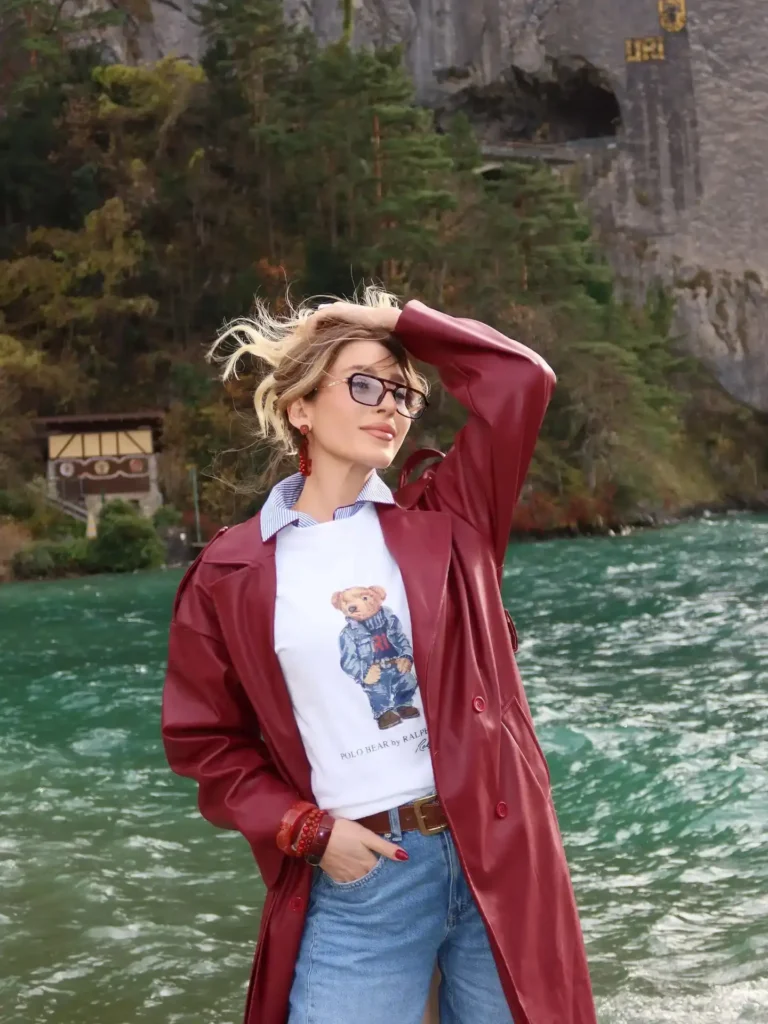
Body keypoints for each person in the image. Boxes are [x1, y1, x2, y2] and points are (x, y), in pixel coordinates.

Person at [162, 288, 597, 1024]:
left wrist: (390, 321)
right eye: (364, 384)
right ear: (301, 408)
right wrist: (310, 832)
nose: (390, 406)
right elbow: (206, 742)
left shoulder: (449, 523)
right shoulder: (229, 572)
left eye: (403, 392)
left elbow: (521, 380)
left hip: (496, 851)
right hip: (365, 874)